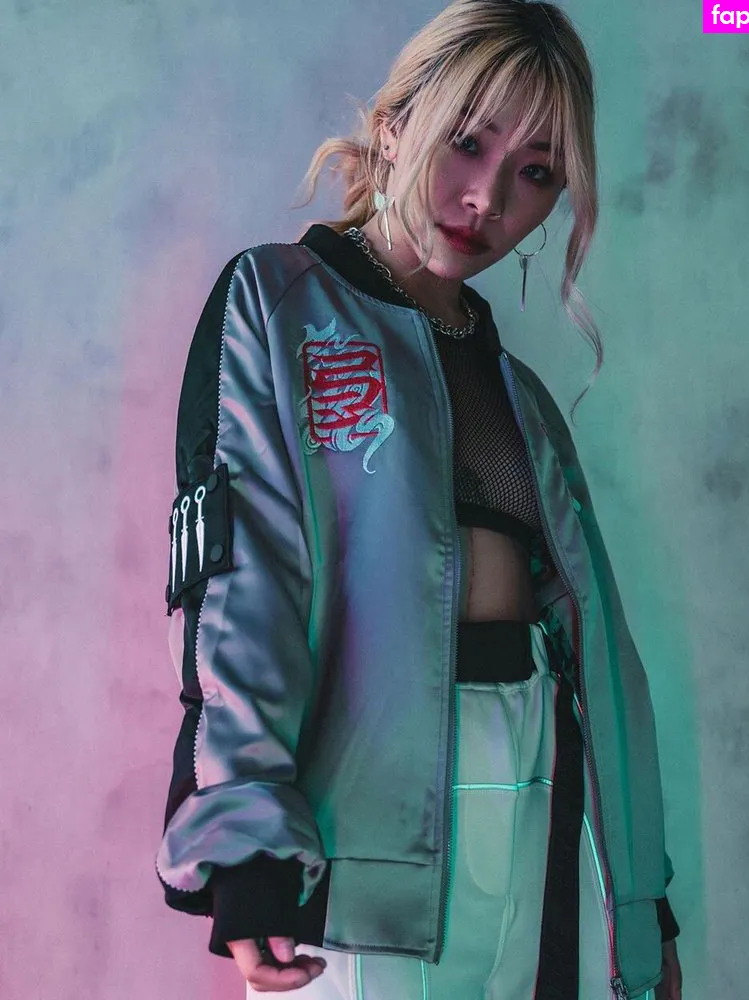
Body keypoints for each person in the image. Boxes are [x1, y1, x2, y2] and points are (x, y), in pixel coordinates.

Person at [155, 2, 684, 998]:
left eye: (536, 173)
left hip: (532, 792)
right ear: (395, 127)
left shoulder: (522, 399)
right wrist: (248, 849)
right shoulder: (282, 303)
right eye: (468, 142)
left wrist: (640, 904)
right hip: (360, 820)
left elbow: (605, 661)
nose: (487, 198)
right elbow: (242, 589)